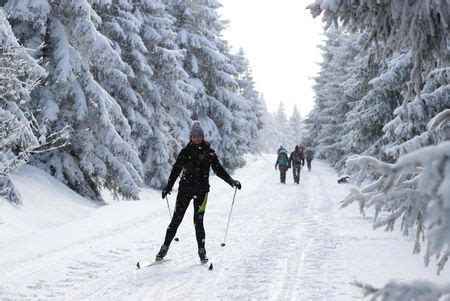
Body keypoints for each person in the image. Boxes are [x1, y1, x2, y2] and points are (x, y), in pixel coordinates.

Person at [157, 121, 242, 263]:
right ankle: (164, 248)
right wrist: (168, 186)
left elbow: (218, 170)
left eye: (199, 136)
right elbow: (176, 170)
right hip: (184, 190)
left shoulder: (209, 153)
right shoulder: (185, 152)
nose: (196, 138)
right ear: (190, 137)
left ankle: (202, 251)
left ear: (202, 137)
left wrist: (231, 181)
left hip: (202, 192)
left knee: (198, 222)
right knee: (176, 220)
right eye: (194, 136)